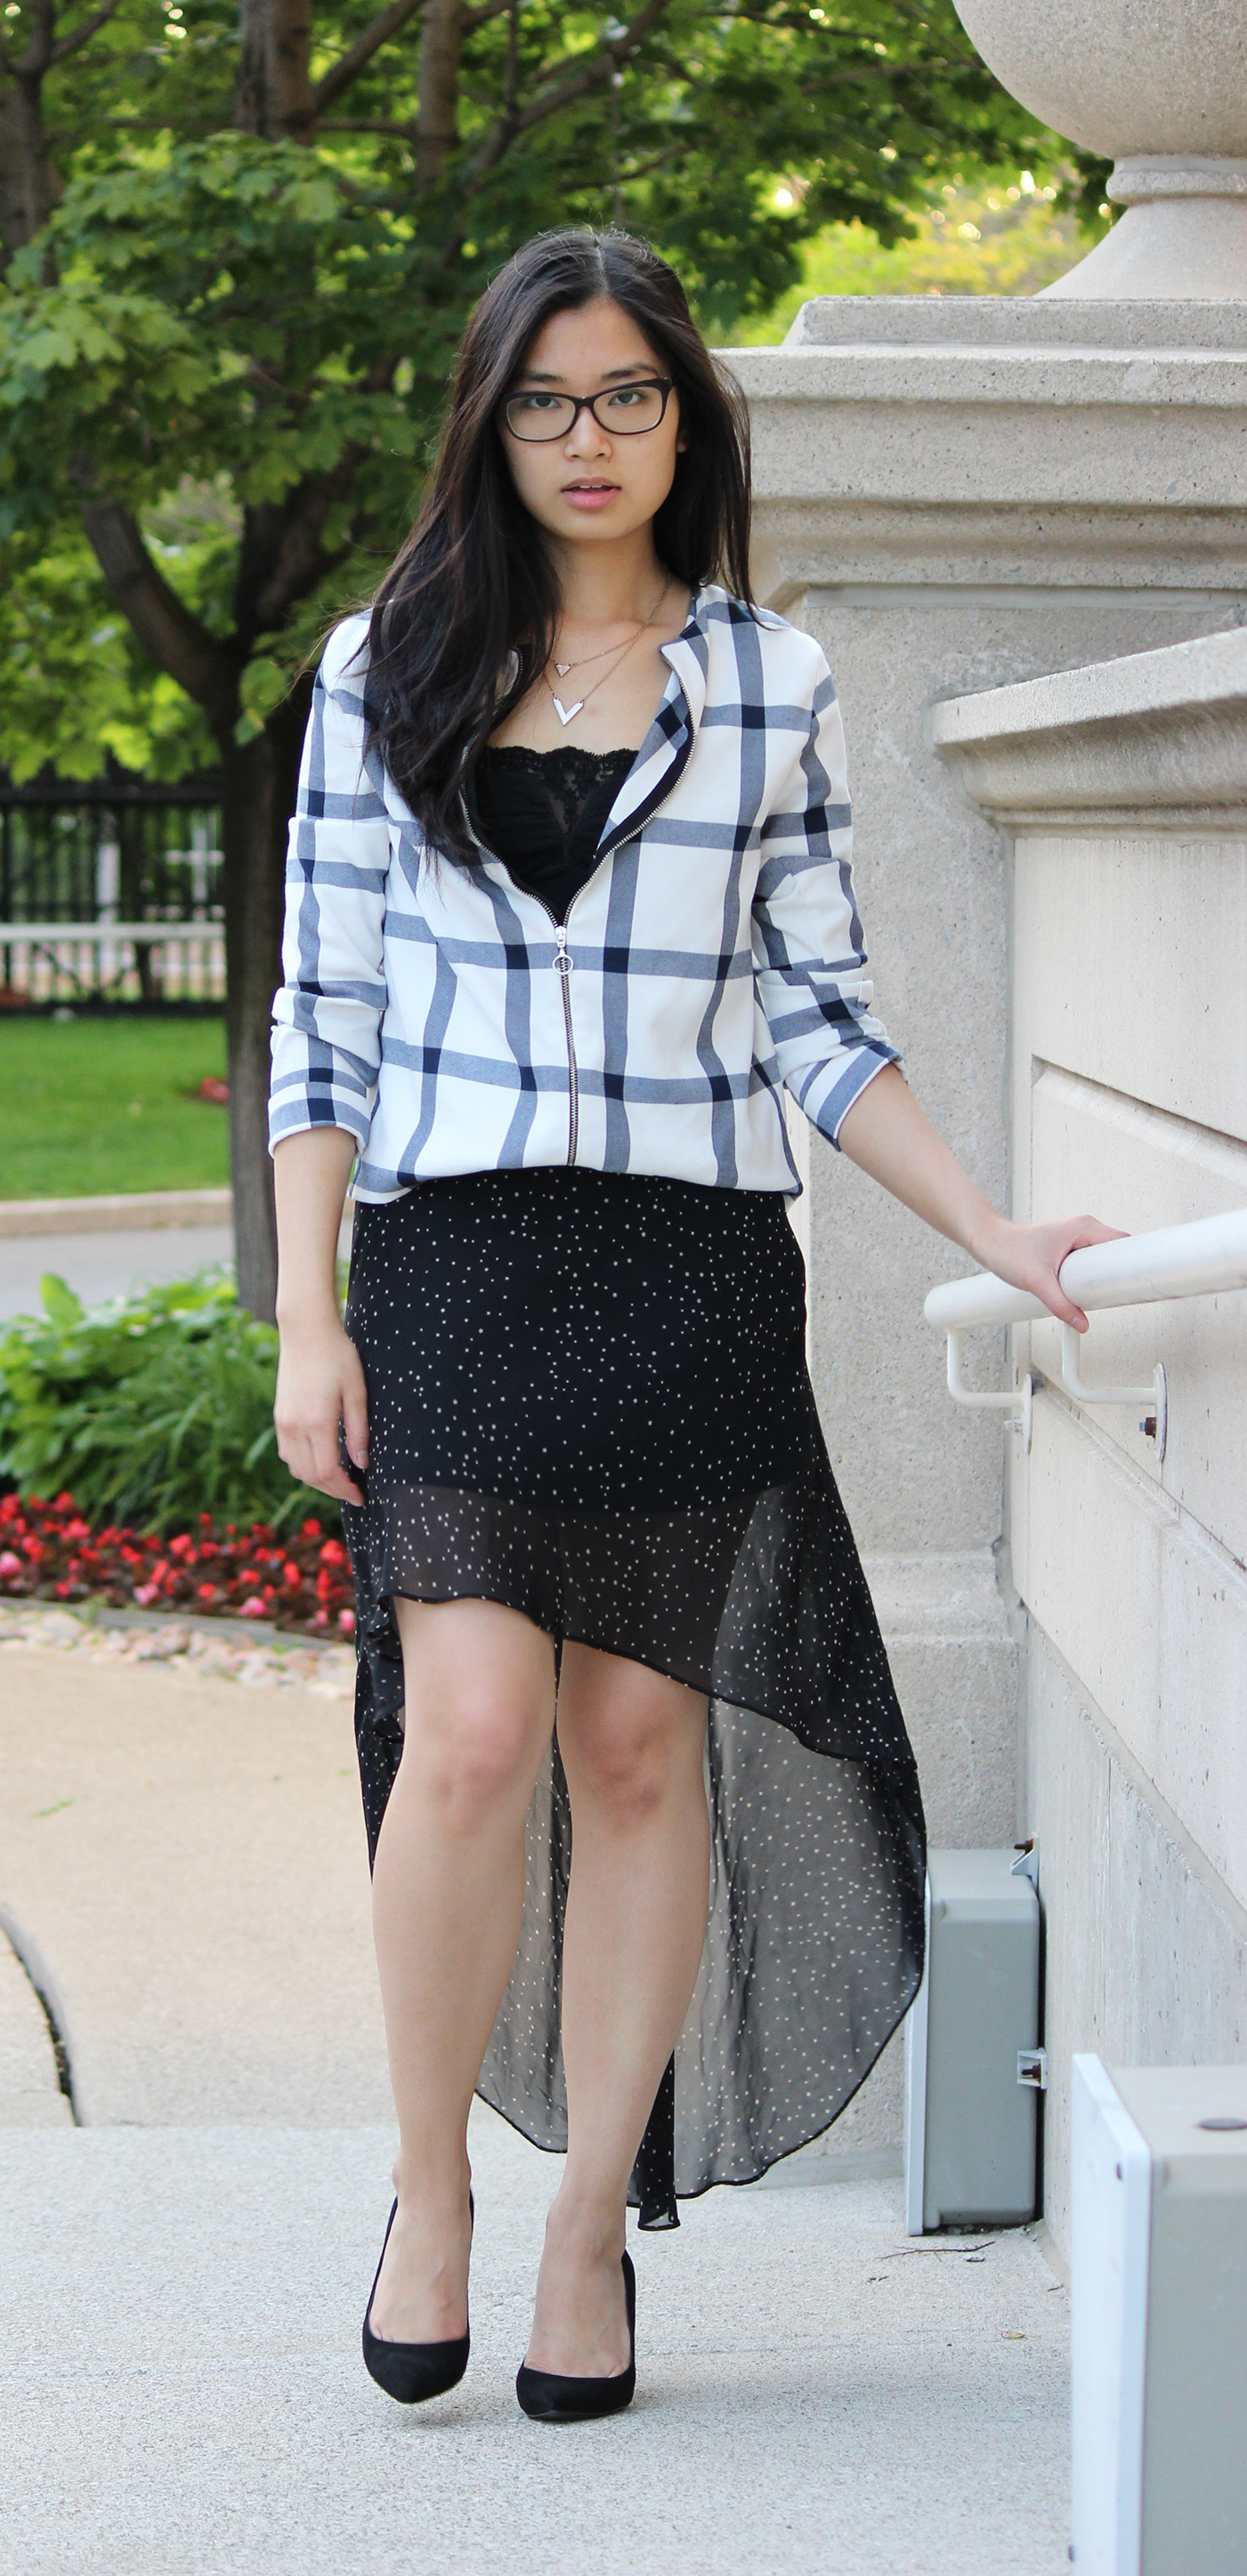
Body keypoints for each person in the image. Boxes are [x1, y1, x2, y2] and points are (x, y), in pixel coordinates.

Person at [267, 228, 1120, 2426]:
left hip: (681, 1274)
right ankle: (432, 2188)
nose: (585, 440)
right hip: (454, 1265)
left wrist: (995, 1224)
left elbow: (826, 1027)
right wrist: (304, 1316)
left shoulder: (768, 687)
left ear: (683, 424)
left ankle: (587, 2237)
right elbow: (320, 1027)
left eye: (627, 398)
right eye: (546, 401)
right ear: (488, 421)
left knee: (640, 1750)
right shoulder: (384, 673)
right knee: (464, 1734)